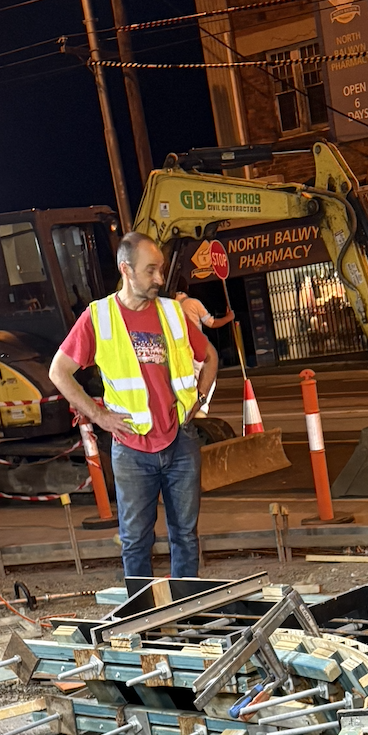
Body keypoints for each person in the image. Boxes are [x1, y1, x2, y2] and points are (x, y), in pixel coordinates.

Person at [50, 232, 218, 581]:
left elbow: (210, 356)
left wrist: (199, 399)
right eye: (151, 270)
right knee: (136, 541)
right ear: (126, 269)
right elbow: (59, 371)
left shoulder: (172, 313)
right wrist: (99, 416)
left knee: (185, 537)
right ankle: (141, 618)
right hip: (132, 450)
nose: (159, 279)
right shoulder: (99, 317)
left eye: (161, 270)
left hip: (180, 441)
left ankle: (186, 611)